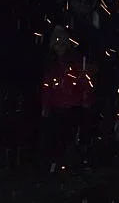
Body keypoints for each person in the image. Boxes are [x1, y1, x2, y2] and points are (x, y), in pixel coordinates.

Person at [39, 25, 95, 166]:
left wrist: (85, 99)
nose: (60, 47)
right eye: (57, 44)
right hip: (56, 106)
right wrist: (45, 105)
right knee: (57, 138)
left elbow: (84, 82)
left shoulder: (74, 62)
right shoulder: (51, 64)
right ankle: (57, 164)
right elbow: (47, 86)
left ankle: (71, 164)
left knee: (70, 137)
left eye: (62, 43)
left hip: (73, 106)